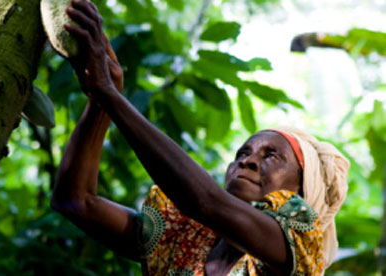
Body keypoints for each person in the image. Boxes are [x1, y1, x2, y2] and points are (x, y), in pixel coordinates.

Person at [50, 0, 350, 275]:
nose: (248, 162)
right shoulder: (182, 238)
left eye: (272, 156)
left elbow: (205, 201)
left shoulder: (296, 246)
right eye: (243, 153)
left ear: (300, 191)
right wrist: (101, 100)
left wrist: (110, 94)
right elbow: (76, 201)